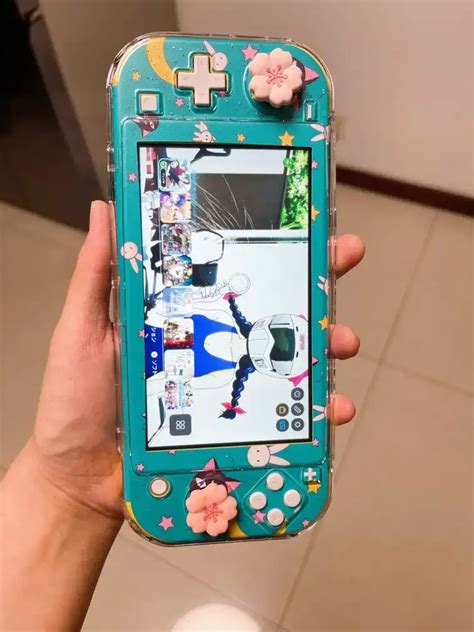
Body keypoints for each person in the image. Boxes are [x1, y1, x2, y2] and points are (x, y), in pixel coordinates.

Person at [0, 201, 365, 630]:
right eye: (279, 337)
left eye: (280, 352)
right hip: (163, 341)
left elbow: (210, 385)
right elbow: (204, 308)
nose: (269, 345)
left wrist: (65, 491)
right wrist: (62, 487)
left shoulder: (233, 371)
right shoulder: (222, 314)